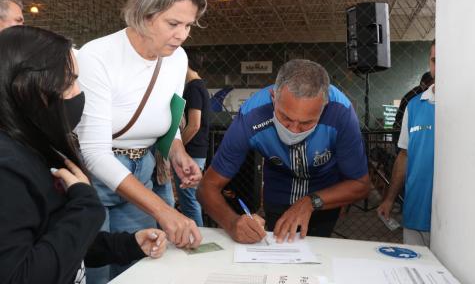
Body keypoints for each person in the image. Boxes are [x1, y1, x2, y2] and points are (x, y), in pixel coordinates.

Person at [0, 25, 168, 284]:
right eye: (69, 83)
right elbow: (23, 275)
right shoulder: (7, 171)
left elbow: (54, 242)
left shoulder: (34, 153)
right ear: (29, 90)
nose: (79, 93)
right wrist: (87, 207)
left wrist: (126, 245)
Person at [75, 0, 207, 280]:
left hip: (143, 171)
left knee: (137, 267)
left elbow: (169, 117)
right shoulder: (97, 56)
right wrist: (163, 210)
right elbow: (94, 152)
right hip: (96, 177)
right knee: (98, 270)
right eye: (173, 23)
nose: (182, 35)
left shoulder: (179, 58)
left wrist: (177, 151)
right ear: (145, 12)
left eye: (189, 25)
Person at [197, 59, 370, 244]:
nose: (294, 130)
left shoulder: (341, 112)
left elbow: (361, 184)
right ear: (273, 97)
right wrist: (232, 223)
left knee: (316, 256)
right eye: (285, 117)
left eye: (306, 123)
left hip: (324, 196)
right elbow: (206, 188)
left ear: (324, 107)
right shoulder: (250, 117)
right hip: (278, 193)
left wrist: (311, 202)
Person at [377, 40, 436, 247]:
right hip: (415, 215)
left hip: (458, 220)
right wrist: (389, 199)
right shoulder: (414, 105)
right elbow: (405, 155)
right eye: (434, 60)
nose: (439, 67)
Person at [176, 52, 211, 226]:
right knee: (190, 200)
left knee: (189, 201)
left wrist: (177, 148)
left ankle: (198, 238)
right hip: (196, 150)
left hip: (192, 151)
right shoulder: (197, 85)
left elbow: (194, 125)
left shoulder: (194, 87)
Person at [392, 71, 434, 148]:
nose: (433, 89)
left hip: (401, 131)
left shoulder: (415, 93)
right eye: (432, 86)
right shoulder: (417, 97)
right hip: (404, 133)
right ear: (423, 84)